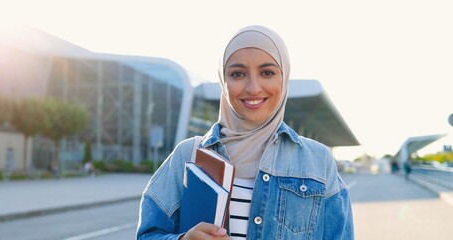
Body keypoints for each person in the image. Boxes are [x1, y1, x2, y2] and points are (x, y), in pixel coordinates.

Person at [137, 25, 354, 240]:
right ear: (224, 81)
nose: (253, 88)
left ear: (284, 77)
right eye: (238, 74)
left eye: (267, 72)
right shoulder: (188, 156)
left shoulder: (318, 161)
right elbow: (148, 235)